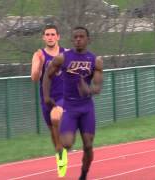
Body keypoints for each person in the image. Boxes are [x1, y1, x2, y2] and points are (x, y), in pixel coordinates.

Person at [43, 26, 103, 180]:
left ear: (88, 39)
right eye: (75, 37)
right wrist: (46, 96)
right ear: (72, 40)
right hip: (70, 106)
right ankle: (65, 130)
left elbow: (97, 87)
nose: (78, 39)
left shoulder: (95, 60)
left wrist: (87, 90)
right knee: (67, 144)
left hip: (86, 108)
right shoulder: (63, 58)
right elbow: (47, 75)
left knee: (88, 146)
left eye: (81, 37)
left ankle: (83, 175)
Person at [30, 24, 68, 177]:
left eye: (53, 34)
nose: (50, 37)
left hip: (63, 97)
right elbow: (34, 78)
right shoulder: (39, 55)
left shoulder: (66, 53)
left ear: (58, 37)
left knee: (56, 116)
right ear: (43, 37)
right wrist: (38, 67)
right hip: (46, 98)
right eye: (47, 34)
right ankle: (60, 153)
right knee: (53, 132)